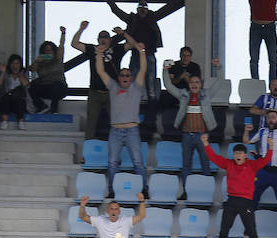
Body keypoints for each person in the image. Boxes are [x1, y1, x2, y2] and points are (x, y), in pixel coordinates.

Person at [95, 46, 149, 199]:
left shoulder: (136, 87)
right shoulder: (113, 86)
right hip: (115, 131)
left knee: (138, 163)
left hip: (132, 130)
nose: (125, 76)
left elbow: (143, 69)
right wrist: (99, 54)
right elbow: (101, 71)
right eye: (122, 74)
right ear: (119, 77)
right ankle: (112, 190)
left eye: (127, 74)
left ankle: (144, 189)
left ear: (131, 77)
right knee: (112, 163)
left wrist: (142, 52)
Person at [202, 133, 273, 238]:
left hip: (247, 202)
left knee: (251, 231)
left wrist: (271, 147)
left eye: (240, 153)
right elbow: (214, 158)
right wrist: (206, 143)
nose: (237, 155)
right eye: (235, 153)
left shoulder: (252, 165)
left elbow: (266, 160)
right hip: (232, 201)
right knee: (224, 231)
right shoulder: (229, 163)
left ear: (245, 155)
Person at [106, 0, 182, 101]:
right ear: (137, 9)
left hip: (149, 54)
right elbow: (117, 11)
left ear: (147, 10)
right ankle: (134, 102)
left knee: (150, 82)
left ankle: (151, 104)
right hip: (136, 54)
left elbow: (166, 9)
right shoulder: (132, 19)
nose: (142, 9)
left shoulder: (152, 17)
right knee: (133, 81)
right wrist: (110, 2)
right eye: (141, 7)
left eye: (144, 8)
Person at [162, 64, 216, 199]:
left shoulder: (206, 95)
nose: (194, 84)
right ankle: (186, 192)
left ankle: (207, 193)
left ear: (201, 84)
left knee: (205, 164)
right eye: (192, 82)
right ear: (189, 84)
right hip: (187, 135)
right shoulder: (183, 95)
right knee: (186, 166)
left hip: (202, 136)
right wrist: (164, 71)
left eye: (197, 82)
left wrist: (218, 69)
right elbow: (169, 86)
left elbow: (218, 84)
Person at [73, 23, 129, 140]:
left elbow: (132, 45)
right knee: (91, 122)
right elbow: (74, 44)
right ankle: (87, 151)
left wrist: (124, 33)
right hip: (95, 92)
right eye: (101, 37)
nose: (103, 39)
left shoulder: (117, 49)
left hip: (112, 93)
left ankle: (119, 146)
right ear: (98, 40)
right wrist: (81, 29)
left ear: (110, 39)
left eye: (106, 37)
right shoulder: (92, 49)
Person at [79, 193, 146, 238]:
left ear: (119, 212)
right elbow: (83, 217)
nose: (114, 211)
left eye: (116, 209)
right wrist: (82, 205)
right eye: (111, 209)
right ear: (107, 211)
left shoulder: (126, 221)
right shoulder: (100, 220)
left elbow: (141, 216)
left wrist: (142, 201)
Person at [26, 31, 68, 114]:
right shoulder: (40, 62)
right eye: (46, 50)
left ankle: (54, 110)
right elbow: (31, 69)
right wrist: (37, 61)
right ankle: (41, 106)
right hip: (45, 88)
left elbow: (61, 46)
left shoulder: (58, 59)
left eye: (51, 50)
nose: (49, 52)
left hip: (59, 88)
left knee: (56, 86)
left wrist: (63, 34)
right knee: (32, 87)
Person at [0, 53, 29, 129]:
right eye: (13, 63)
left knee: (19, 99)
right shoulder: (6, 74)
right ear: (9, 65)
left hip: (18, 101)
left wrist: (21, 76)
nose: (15, 65)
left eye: (17, 63)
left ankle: (21, 122)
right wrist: (3, 73)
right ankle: (4, 121)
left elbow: (27, 86)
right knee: (6, 97)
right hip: (7, 101)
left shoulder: (23, 73)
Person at [248, 0, 277, 80]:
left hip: (270, 27)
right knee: (254, 59)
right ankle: (256, 83)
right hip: (256, 26)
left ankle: (273, 85)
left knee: (273, 59)